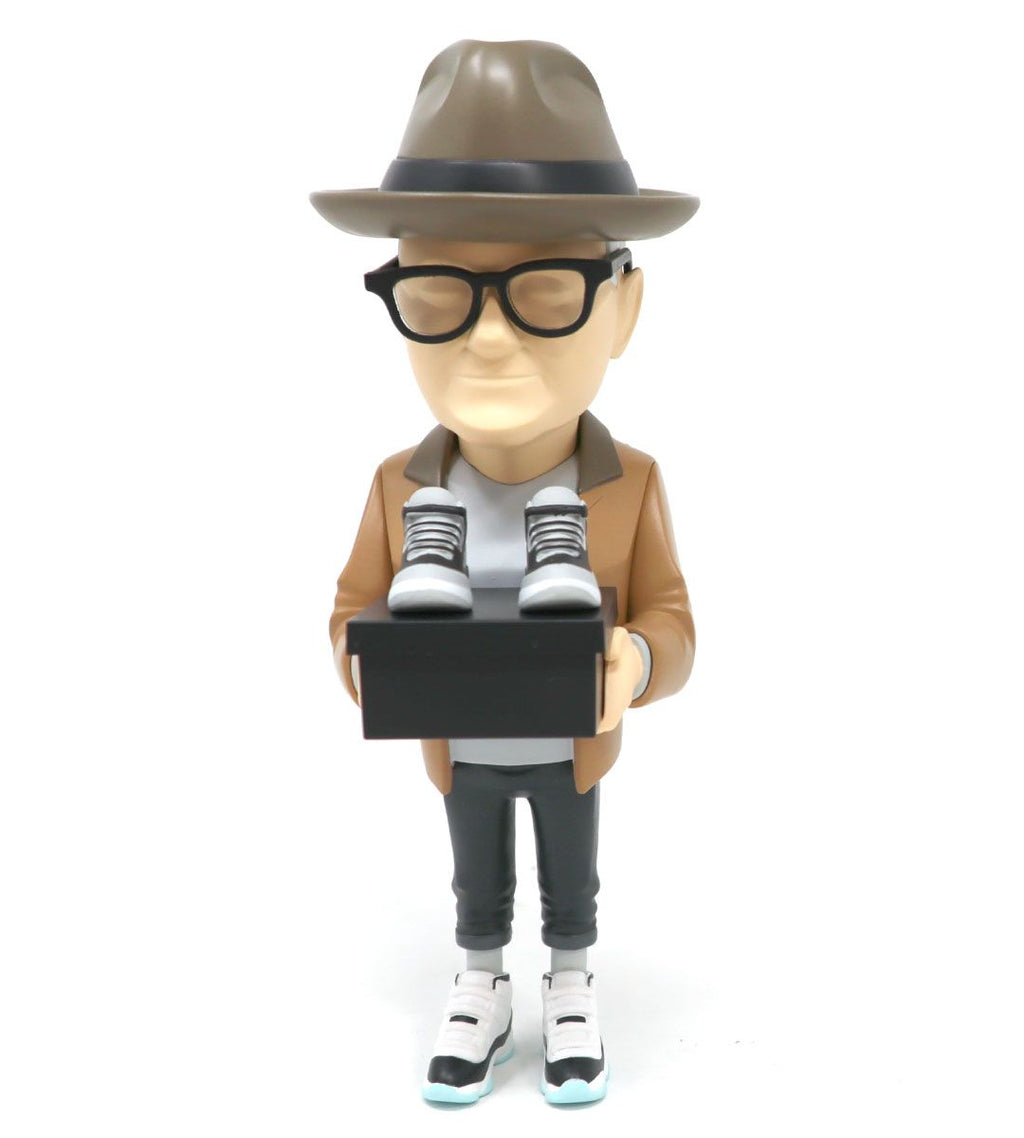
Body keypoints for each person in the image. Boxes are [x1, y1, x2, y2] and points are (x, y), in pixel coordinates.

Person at [311, 39, 698, 1105]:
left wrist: (634, 660)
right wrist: (365, 662)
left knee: (571, 875)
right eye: (438, 294)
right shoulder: (401, 485)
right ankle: (479, 985)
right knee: (475, 874)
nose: (487, 340)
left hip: (569, 742)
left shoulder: (627, 483)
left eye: (545, 290)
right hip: (465, 743)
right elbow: (349, 609)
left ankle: (571, 986)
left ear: (621, 307)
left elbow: (674, 619)